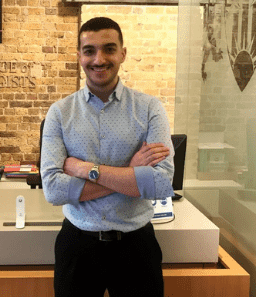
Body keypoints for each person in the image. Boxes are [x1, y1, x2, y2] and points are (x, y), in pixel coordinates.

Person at [40, 17, 174, 297]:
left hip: (136, 248)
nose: (99, 59)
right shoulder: (59, 113)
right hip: (77, 246)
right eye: (89, 51)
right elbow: (53, 189)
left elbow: (160, 184)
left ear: (123, 53)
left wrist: (84, 169)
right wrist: (131, 172)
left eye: (109, 49)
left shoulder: (150, 109)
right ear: (79, 56)